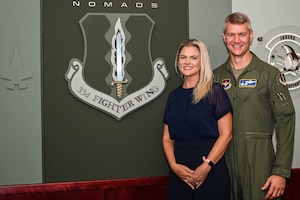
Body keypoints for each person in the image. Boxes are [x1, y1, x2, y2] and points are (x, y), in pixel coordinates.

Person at [213, 12, 296, 200]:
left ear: (251, 35)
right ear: (224, 37)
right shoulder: (215, 77)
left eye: (242, 34)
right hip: (223, 163)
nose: (236, 40)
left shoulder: (270, 75)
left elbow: (286, 120)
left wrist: (281, 171)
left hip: (259, 163)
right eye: (231, 34)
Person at [162, 39, 233, 200]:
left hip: (211, 173)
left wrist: (207, 166)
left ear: (202, 62)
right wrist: (174, 166)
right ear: (178, 61)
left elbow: (226, 134)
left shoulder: (215, 91)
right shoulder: (174, 96)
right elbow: (167, 138)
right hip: (179, 175)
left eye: (193, 58)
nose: (187, 62)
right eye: (183, 57)